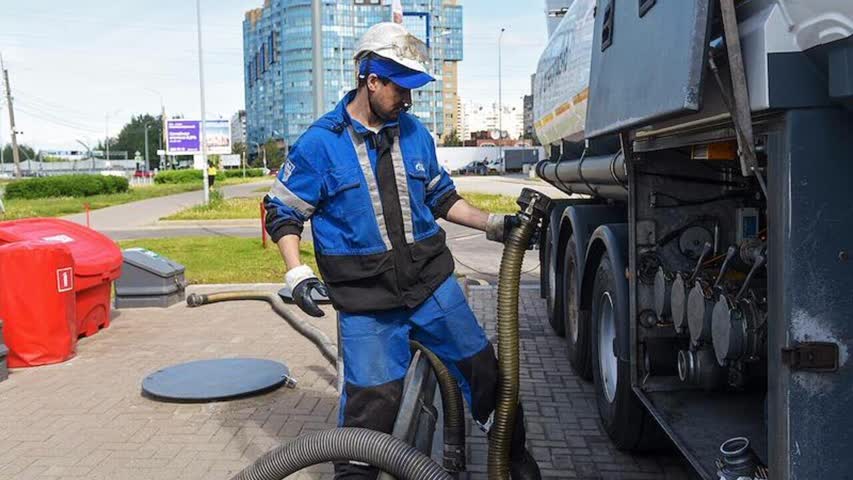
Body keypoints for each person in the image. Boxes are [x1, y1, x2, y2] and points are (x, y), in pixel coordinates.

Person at [263, 22, 541, 480]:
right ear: (371, 80)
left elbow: (442, 198)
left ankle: (513, 459)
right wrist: (296, 273)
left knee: (488, 375)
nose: (408, 100)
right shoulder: (320, 144)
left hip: (432, 288)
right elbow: (284, 213)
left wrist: (493, 224)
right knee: (371, 412)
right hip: (367, 304)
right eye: (401, 88)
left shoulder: (414, 135)